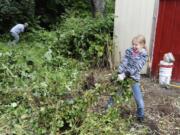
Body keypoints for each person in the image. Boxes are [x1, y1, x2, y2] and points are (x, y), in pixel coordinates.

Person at [117, 35, 148, 122]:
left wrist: (126, 74)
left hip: (133, 78)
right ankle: (107, 110)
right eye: (133, 44)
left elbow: (137, 67)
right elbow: (124, 62)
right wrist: (119, 72)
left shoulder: (144, 56)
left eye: (136, 45)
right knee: (116, 94)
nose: (134, 47)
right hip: (124, 76)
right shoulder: (129, 51)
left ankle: (140, 116)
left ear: (142, 45)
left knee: (138, 99)